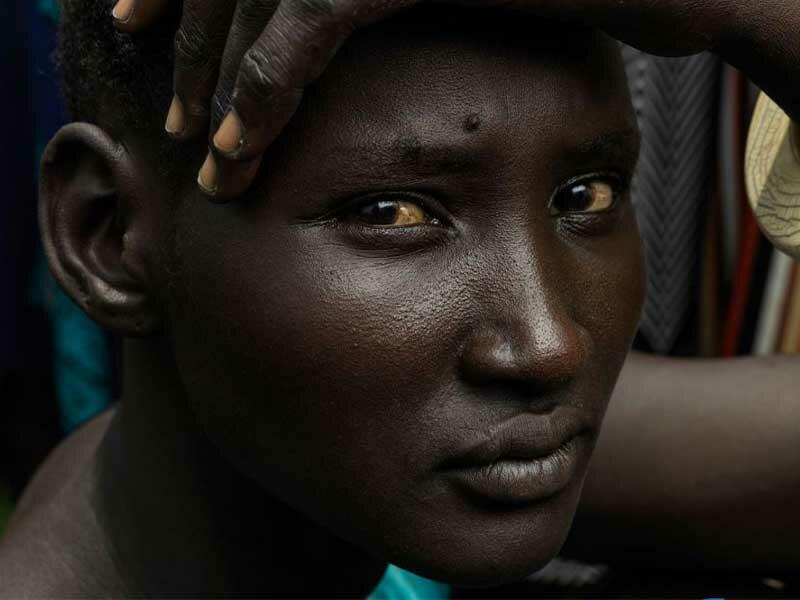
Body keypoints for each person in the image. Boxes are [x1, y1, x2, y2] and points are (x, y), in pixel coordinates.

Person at [0, 2, 797, 599]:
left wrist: (746, 13)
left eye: (585, 195)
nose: (550, 343)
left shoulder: (328, 465)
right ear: (105, 235)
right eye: (392, 214)